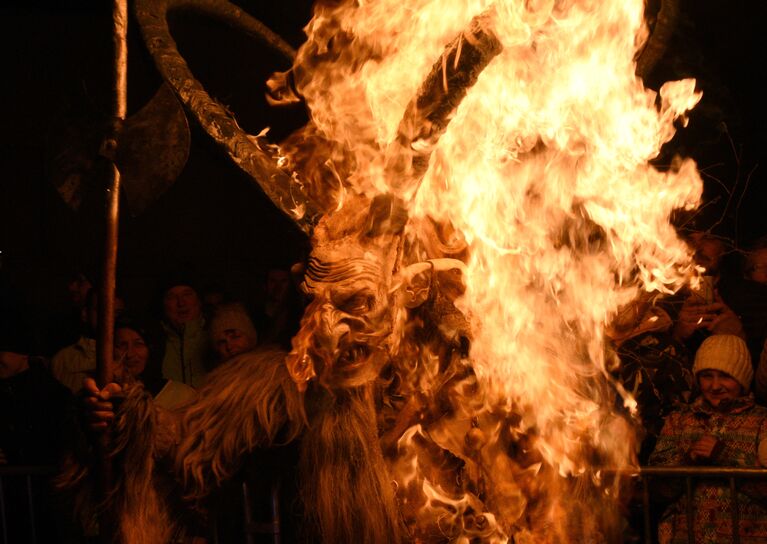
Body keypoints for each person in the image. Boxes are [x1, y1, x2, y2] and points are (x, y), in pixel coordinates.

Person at [649, 334, 767, 543]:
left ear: (742, 379)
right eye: (706, 376)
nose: (715, 386)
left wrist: (725, 455)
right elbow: (658, 490)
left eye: (725, 376)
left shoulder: (761, 421)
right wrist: (688, 461)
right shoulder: (679, 420)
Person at [112, 314, 195, 410]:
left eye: (138, 344)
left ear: (153, 348)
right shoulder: (109, 394)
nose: (129, 354)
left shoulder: (182, 396)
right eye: (122, 345)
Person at [51, 288, 125, 393]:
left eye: (117, 313)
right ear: (85, 313)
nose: (110, 317)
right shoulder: (63, 360)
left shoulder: (129, 356)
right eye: (102, 310)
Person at [158, 275, 209, 388]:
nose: (181, 303)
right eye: (172, 297)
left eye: (187, 294)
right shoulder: (155, 343)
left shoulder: (216, 338)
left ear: (199, 301)